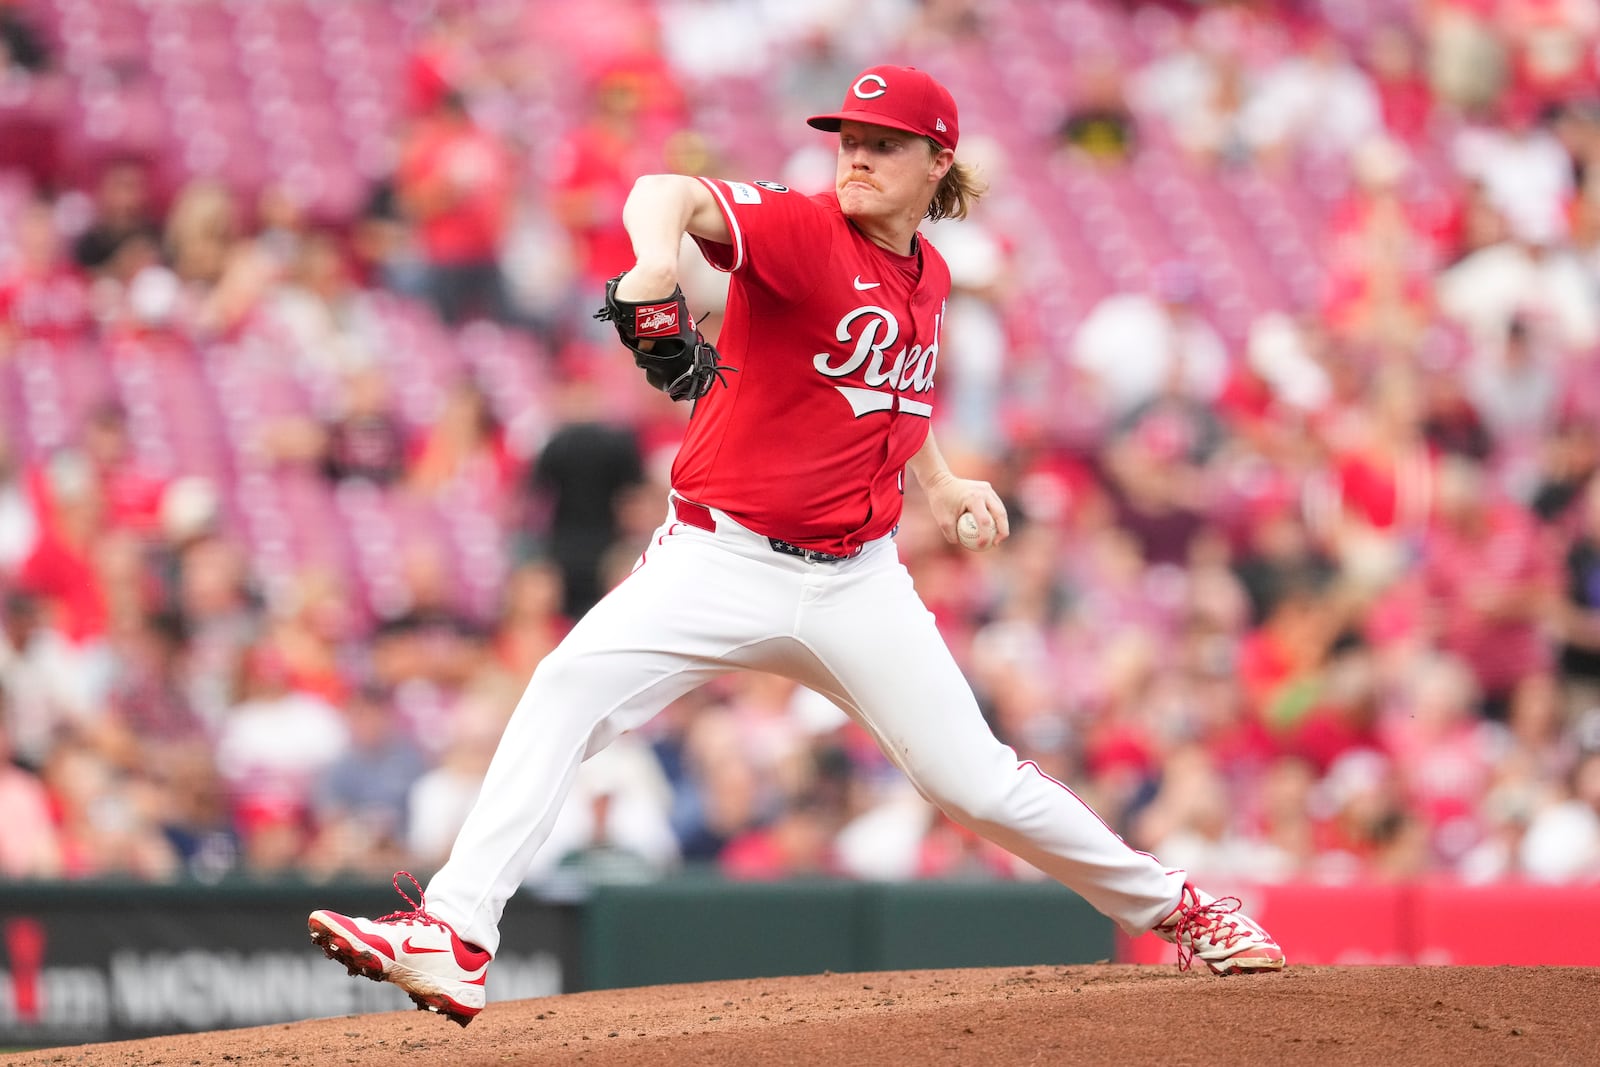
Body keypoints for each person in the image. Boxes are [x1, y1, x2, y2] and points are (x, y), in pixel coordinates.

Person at [308, 64, 1284, 1027]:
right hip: (715, 558)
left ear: (937, 161)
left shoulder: (929, 273)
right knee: (565, 690)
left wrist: (939, 481)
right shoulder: (803, 227)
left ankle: (1181, 907)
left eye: (881, 144)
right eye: (848, 140)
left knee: (975, 783)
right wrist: (653, 266)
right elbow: (667, 191)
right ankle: (455, 932)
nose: (854, 157)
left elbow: (893, 387)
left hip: (859, 580)